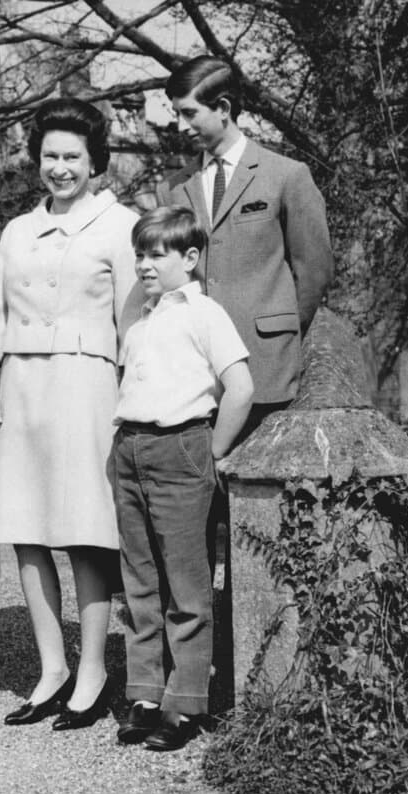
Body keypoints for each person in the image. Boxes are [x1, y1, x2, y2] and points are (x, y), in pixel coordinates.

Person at [0, 97, 143, 731]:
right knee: (26, 525)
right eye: (51, 156)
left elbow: (135, 324)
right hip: (22, 388)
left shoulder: (120, 225)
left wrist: (135, 400)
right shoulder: (17, 230)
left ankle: (93, 670)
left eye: (73, 156)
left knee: (83, 530)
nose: (61, 168)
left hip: (86, 387)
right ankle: (52, 669)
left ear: (94, 160)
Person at [112, 206, 254, 751]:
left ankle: (186, 701)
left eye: (156, 255)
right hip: (130, 449)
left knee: (187, 584)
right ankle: (144, 693)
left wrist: (213, 453)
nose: (144, 265)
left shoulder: (204, 313)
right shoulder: (143, 318)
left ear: (191, 259)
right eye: (139, 254)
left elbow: (239, 388)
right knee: (140, 581)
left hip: (182, 447)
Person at [159, 55, 333, 425]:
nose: (180, 125)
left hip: (265, 368)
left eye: (189, 113)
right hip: (194, 374)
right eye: (176, 114)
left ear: (223, 108)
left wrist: (279, 334)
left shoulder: (287, 176)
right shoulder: (172, 189)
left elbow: (313, 272)